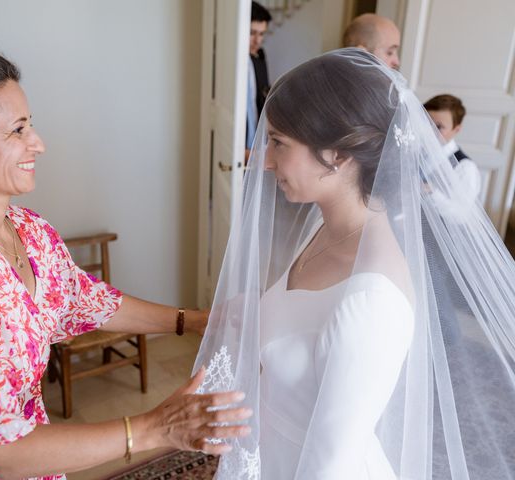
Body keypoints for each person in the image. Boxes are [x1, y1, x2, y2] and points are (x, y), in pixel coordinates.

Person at [0, 43, 252, 480]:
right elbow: (4, 451)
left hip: (35, 457)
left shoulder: (28, 229)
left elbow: (85, 300)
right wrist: (152, 428)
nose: (38, 143)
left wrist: (199, 319)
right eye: (17, 130)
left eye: (30, 125)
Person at [195, 48, 515, 479]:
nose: (265, 161)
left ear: (339, 155)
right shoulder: (324, 229)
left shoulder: (372, 302)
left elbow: (330, 465)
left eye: (279, 143)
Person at [425, 94, 481, 202]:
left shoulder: (465, 168)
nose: (430, 131)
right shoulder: (412, 151)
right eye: (426, 122)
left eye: (438, 127)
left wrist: (432, 193)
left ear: (456, 129)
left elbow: (461, 214)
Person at [246, 2, 272, 154]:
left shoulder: (260, 57)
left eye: (261, 34)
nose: (257, 40)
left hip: (256, 139)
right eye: (252, 33)